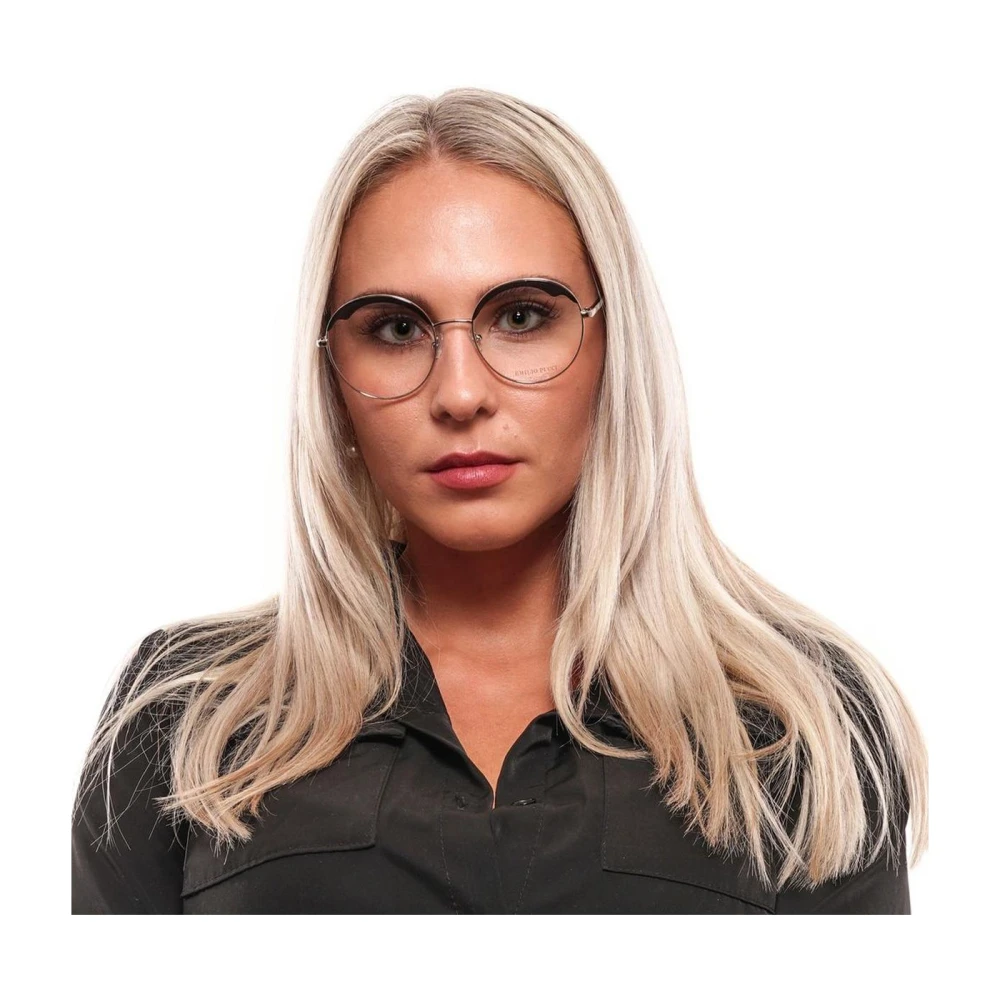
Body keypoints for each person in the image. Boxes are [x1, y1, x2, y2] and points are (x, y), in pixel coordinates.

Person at [71, 86, 928, 914]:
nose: (459, 394)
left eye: (520, 317)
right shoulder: (187, 711)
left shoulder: (800, 718)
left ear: (615, 345)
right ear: (329, 373)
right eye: (396, 329)